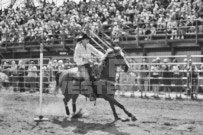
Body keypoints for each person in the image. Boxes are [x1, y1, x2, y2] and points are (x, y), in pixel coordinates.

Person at [73, 33, 105, 101]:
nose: (88, 40)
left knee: (98, 71)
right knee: (87, 78)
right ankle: (91, 94)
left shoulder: (88, 46)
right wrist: (84, 59)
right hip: (81, 65)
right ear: (82, 40)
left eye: (88, 39)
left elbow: (96, 52)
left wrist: (104, 56)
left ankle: (99, 89)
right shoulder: (78, 47)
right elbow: (75, 58)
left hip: (88, 64)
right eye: (86, 39)